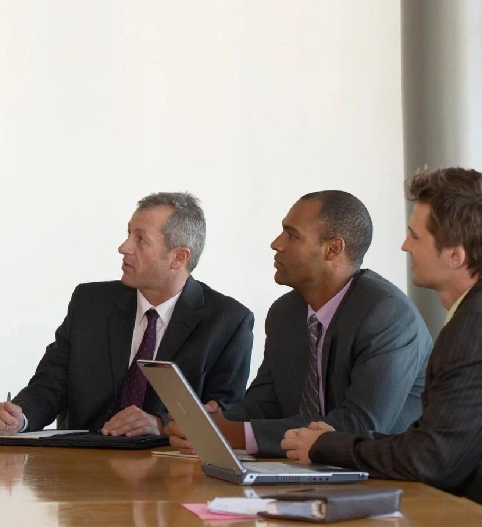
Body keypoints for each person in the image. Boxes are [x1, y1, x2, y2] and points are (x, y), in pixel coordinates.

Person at [167, 190, 432, 457]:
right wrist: (208, 423)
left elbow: (360, 426)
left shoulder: (387, 315)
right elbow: (264, 404)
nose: (276, 243)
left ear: (333, 249)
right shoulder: (285, 313)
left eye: (291, 235)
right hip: (305, 473)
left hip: (391, 484)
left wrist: (232, 433)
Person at [283, 169, 482, 503]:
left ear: (455, 256)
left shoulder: (472, 328)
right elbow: (428, 442)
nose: (405, 246)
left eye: (415, 237)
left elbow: (432, 458)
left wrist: (329, 447)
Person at [0, 192, 253, 437]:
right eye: (128, 235)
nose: (123, 247)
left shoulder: (228, 321)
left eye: (140, 239)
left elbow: (223, 414)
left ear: (179, 257)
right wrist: (19, 416)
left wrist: (160, 425)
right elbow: (50, 385)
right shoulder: (90, 303)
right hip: (81, 467)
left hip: (169, 473)